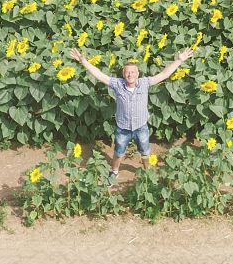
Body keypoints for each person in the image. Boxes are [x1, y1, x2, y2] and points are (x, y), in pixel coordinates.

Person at [67, 46, 196, 186]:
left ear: (138, 74)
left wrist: (179, 60)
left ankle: (148, 172)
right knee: (118, 152)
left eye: (133, 72)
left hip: (141, 127)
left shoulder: (145, 83)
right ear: (124, 74)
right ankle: (114, 171)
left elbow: (164, 74)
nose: (130, 74)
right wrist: (83, 61)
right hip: (123, 128)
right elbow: (99, 75)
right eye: (127, 72)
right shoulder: (118, 84)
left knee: (145, 151)